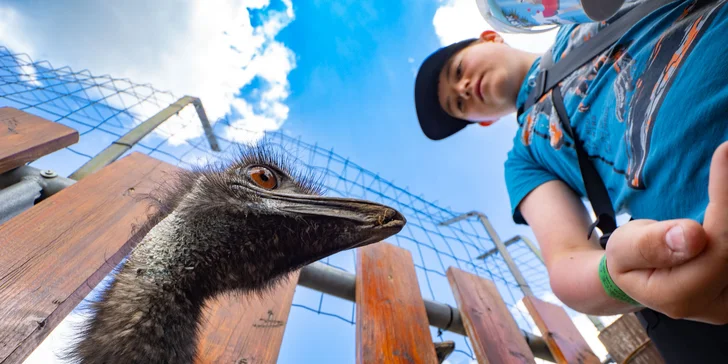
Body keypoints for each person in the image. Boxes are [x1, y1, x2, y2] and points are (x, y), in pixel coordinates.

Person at [414, 0, 728, 362]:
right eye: (458, 105)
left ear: (490, 37)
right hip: (704, 233)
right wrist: (617, 276)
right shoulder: (525, 158)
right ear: (482, 122)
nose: (465, 88)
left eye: (457, 71)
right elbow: (566, 259)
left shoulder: (576, 12)